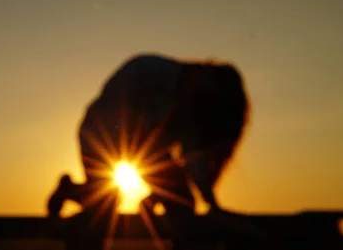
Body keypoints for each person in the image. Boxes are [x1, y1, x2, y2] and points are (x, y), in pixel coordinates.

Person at [46, 53, 250, 228]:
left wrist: (211, 203)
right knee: (103, 211)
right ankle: (71, 190)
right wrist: (169, 192)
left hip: (136, 144)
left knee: (180, 203)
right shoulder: (153, 70)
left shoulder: (190, 105)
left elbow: (191, 157)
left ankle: (76, 191)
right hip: (99, 136)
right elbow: (147, 143)